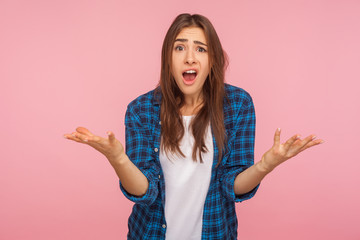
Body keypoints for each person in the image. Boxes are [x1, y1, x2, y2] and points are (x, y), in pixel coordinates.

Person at [64, 13, 323, 240]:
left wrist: (266, 165)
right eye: (179, 48)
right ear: (168, 58)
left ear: (213, 59)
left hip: (216, 232)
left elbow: (231, 185)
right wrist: (117, 158)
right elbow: (146, 191)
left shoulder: (238, 104)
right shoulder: (140, 110)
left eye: (201, 49)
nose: (190, 58)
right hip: (150, 233)